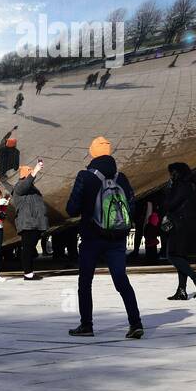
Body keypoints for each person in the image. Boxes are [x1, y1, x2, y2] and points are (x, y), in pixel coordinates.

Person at [64, 136, 144, 339]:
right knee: (121, 280)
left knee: (85, 282)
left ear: (92, 153)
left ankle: (87, 325)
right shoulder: (121, 177)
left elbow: (72, 209)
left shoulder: (85, 176)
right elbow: (131, 206)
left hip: (91, 237)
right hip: (116, 238)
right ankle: (135, 323)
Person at [162, 162, 196, 299]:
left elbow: (170, 204)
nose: (170, 176)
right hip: (188, 224)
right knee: (181, 257)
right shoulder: (192, 185)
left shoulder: (181, 185)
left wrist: (168, 191)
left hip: (179, 224)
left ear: (178, 172)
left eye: (172, 172)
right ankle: (181, 291)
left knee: (172, 255)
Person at [10, 162, 48, 281]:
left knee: (30, 248)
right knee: (27, 249)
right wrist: (35, 171)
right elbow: (26, 184)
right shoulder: (19, 186)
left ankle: (29, 272)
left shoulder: (31, 188)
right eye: (30, 173)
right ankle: (28, 273)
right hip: (27, 223)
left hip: (35, 223)